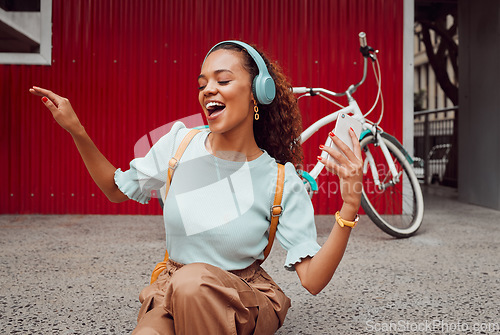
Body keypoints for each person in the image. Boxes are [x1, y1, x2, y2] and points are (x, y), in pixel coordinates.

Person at [29, 40, 363, 335]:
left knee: (192, 282)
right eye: (202, 84)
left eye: (223, 80)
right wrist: (77, 131)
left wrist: (348, 206)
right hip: (172, 287)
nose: (208, 90)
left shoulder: (280, 179)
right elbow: (117, 189)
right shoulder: (179, 143)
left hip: (242, 299)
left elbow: (313, 279)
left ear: (258, 92)